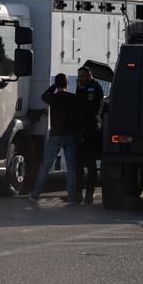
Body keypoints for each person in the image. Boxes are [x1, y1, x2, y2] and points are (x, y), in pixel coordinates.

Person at [29, 74, 80, 204]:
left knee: (46, 166)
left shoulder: (53, 98)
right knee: (71, 167)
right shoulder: (73, 98)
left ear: (57, 85)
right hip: (70, 134)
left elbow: (43, 95)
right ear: (67, 84)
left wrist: (53, 86)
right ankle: (72, 195)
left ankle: (35, 194)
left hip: (56, 135)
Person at [75, 66, 104, 204]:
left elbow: (89, 108)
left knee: (91, 164)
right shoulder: (82, 88)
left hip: (91, 130)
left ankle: (89, 193)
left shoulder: (94, 88)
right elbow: (77, 106)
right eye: (79, 77)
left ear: (89, 75)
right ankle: (78, 193)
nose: (80, 79)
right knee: (79, 164)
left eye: (82, 77)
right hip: (81, 130)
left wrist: (80, 91)